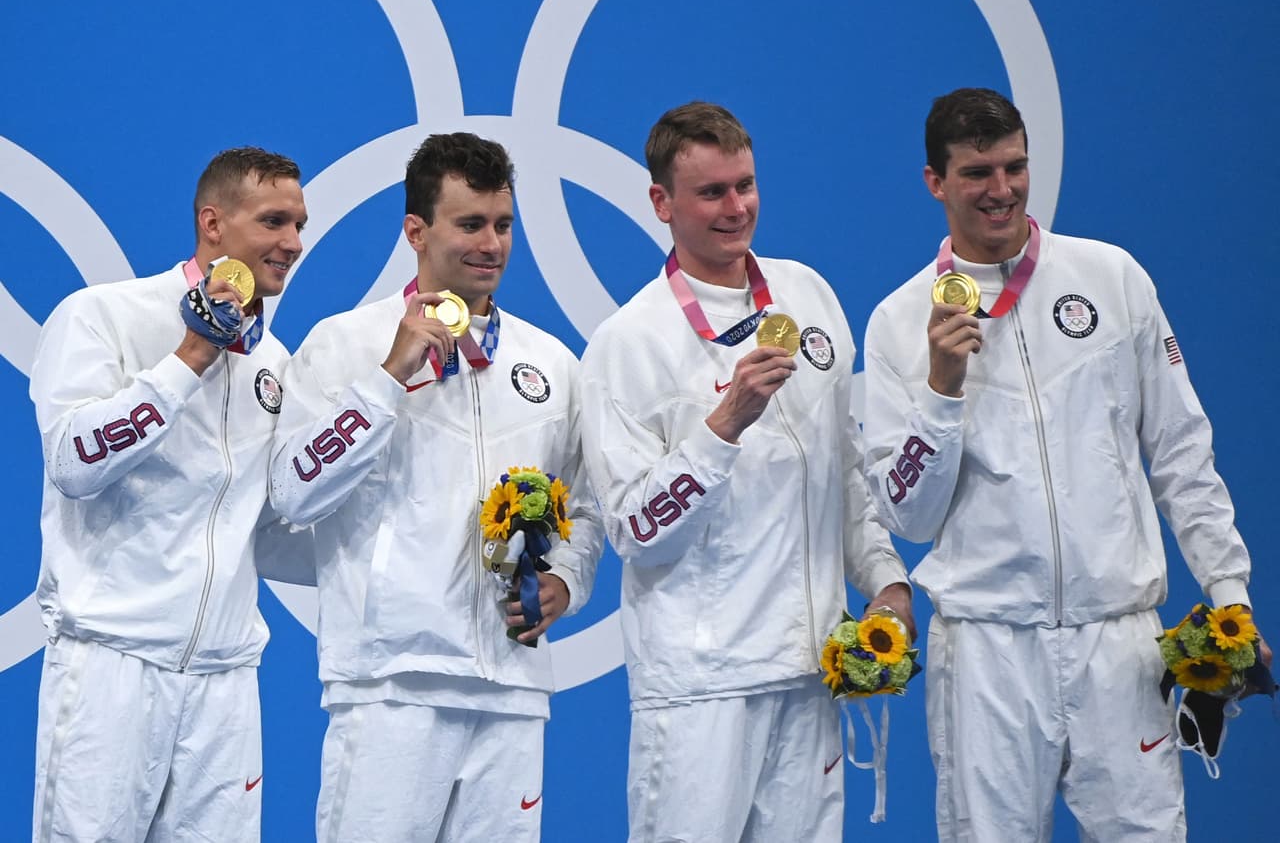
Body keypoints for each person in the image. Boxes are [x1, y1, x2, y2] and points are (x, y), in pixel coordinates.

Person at [860, 86, 1273, 842]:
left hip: (1117, 640)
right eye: (979, 172)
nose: (1003, 190)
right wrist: (941, 390)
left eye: (1015, 167)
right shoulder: (897, 321)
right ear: (936, 182)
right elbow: (909, 516)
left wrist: (1229, 588)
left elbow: (1182, 449)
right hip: (987, 648)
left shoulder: (1112, 278)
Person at [579, 101, 914, 842]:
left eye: (746, 185)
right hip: (703, 689)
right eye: (712, 193)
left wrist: (885, 580)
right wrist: (724, 423)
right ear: (661, 203)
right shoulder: (628, 342)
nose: (737, 208)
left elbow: (844, 467)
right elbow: (634, 529)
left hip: (811, 671)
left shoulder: (810, 295)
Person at [268, 132, 603, 843]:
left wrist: (566, 583)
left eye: (504, 224)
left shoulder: (552, 363)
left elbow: (590, 502)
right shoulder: (345, 343)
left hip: (513, 688)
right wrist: (388, 378)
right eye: (470, 223)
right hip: (392, 683)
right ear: (416, 231)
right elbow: (293, 494)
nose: (492, 243)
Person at [28, 147, 307, 841]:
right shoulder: (102, 316)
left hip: (226, 685)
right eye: (274, 221)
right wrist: (188, 360)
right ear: (213, 223)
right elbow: (73, 461)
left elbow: (264, 530)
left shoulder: (274, 362)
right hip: (111, 670)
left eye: (299, 224)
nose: (293, 243)